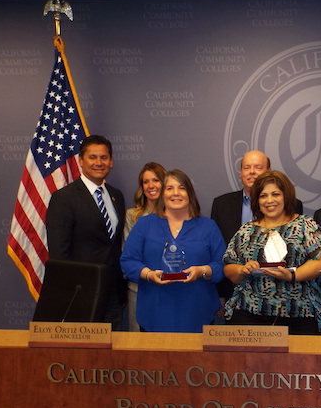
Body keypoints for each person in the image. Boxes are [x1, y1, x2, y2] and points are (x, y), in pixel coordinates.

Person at [223, 171, 321, 335]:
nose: (269, 201)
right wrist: (242, 270)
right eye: (263, 196)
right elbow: (229, 266)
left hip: (298, 315)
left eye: (275, 194)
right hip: (248, 315)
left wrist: (293, 275)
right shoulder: (246, 231)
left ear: (286, 197)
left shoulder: (305, 225)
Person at [120, 169, 225, 333]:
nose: (176, 193)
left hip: (197, 312)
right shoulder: (144, 225)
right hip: (155, 312)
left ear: (190, 193)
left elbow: (221, 265)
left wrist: (202, 271)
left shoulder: (208, 226)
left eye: (182, 188)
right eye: (169, 188)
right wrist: (148, 274)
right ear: (162, 194)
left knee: (195, 360)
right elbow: (127, 261)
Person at [46, 135, 126, 330]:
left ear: (111, 161)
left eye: (104, 157)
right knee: (83, 356)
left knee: (111, 353)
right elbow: (59, 253)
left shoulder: (116, 196)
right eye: (92, 157)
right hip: (81, 293)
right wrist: (71, 292)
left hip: (113, 293)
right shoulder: (64, 198)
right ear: (81, 161)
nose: (99, 163)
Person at [211, 150, 303, 305]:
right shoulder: (221, 205)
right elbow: (219, 254)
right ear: (240, 173)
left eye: (258, 167)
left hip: (283, 295)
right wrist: (220, 294)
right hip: (236, 294)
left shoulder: (293, 205)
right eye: (247, 167)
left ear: (268, 172)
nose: (252, 172)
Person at [123, 162, 167, 332]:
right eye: (146, 182)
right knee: (139, 345)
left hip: (171, 289)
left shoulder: (177, 214)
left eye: (156, 180)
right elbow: (129, 256)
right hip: (140, 289)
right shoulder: (132, 216)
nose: (151, 186)